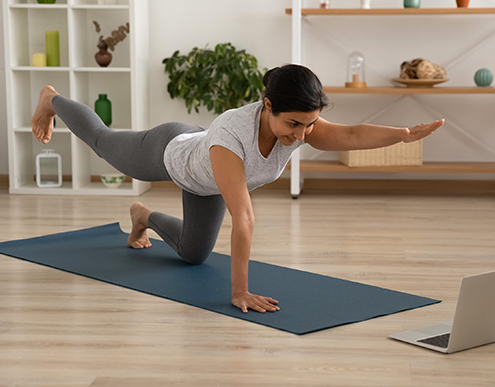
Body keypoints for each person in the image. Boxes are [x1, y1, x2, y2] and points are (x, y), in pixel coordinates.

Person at [32, 64, 444, 314]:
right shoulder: (232, 137)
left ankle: (142, 216)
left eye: (310, 124)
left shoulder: (303, 125)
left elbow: (352, 134)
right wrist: (239, 290)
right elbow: (243, 218)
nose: (302, 134)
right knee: (104, 144)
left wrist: (404, 135)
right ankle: (53, 99)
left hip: (204, 177)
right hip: (168, 151)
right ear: (268, 106)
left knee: (194, 256)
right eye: (294, 124)